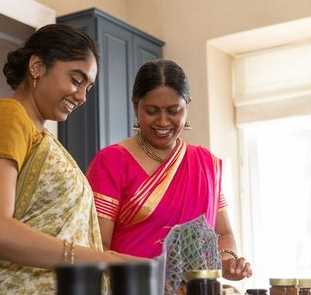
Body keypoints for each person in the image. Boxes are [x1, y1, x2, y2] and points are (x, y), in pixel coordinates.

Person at [0, 24, 142, 295]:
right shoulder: (9, 116)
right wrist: (101, 259)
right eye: (76, 80)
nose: (82, 97)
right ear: (37, 67)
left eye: (88, 87)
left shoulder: (43, 137)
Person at [87, 59, 252, 281]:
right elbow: (96, 248)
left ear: (187, 106)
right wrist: (156, 272)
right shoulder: (112, 161)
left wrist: (228, 262)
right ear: (135, 106)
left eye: (173, 111)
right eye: (152, 111)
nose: (163, 122)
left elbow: (224, 233)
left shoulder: (205, 163)